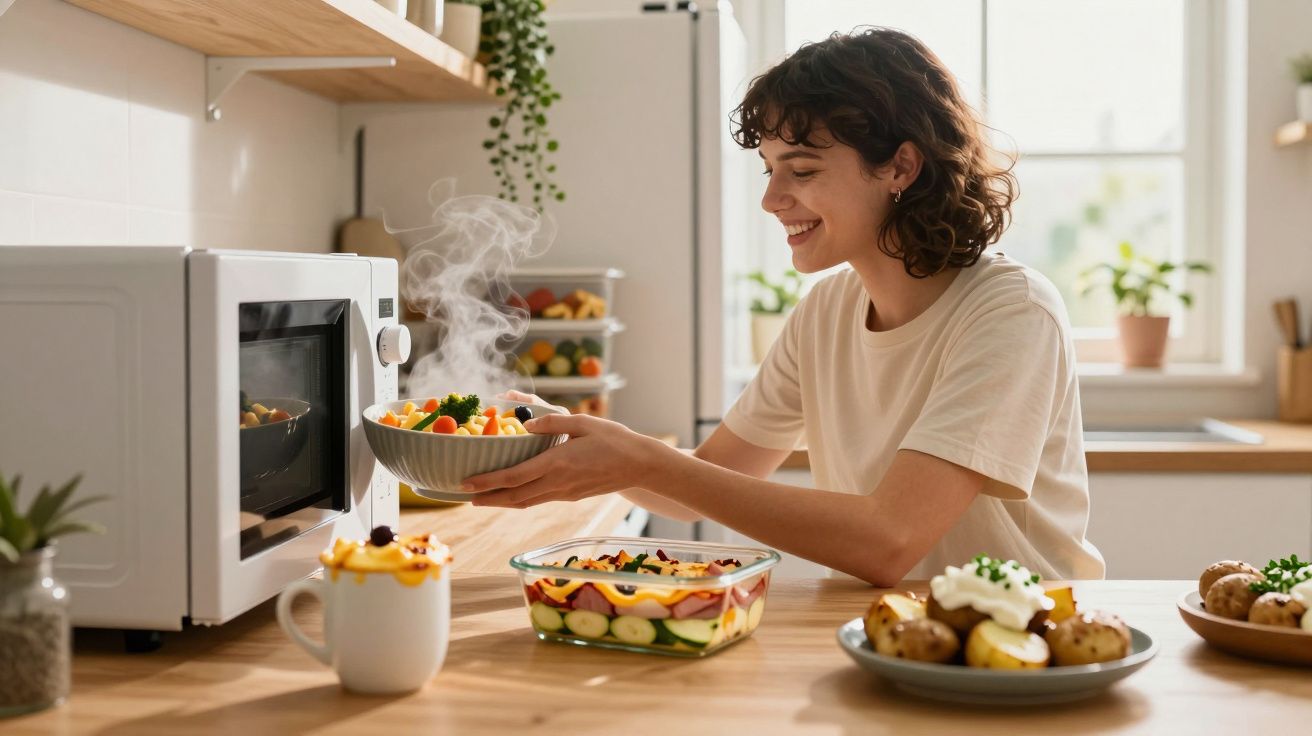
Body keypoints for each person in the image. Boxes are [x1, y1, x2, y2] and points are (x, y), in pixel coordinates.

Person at [463, 27, 1105, 584]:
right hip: (884, 640)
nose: (772, 200)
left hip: (1024, 651)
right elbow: (702, 483)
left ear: (900, 168)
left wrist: (640, 458)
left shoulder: (1010, 312)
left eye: (801, 171)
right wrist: (549, 434)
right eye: (769, 170)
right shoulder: (827, 311)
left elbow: (889, 540)